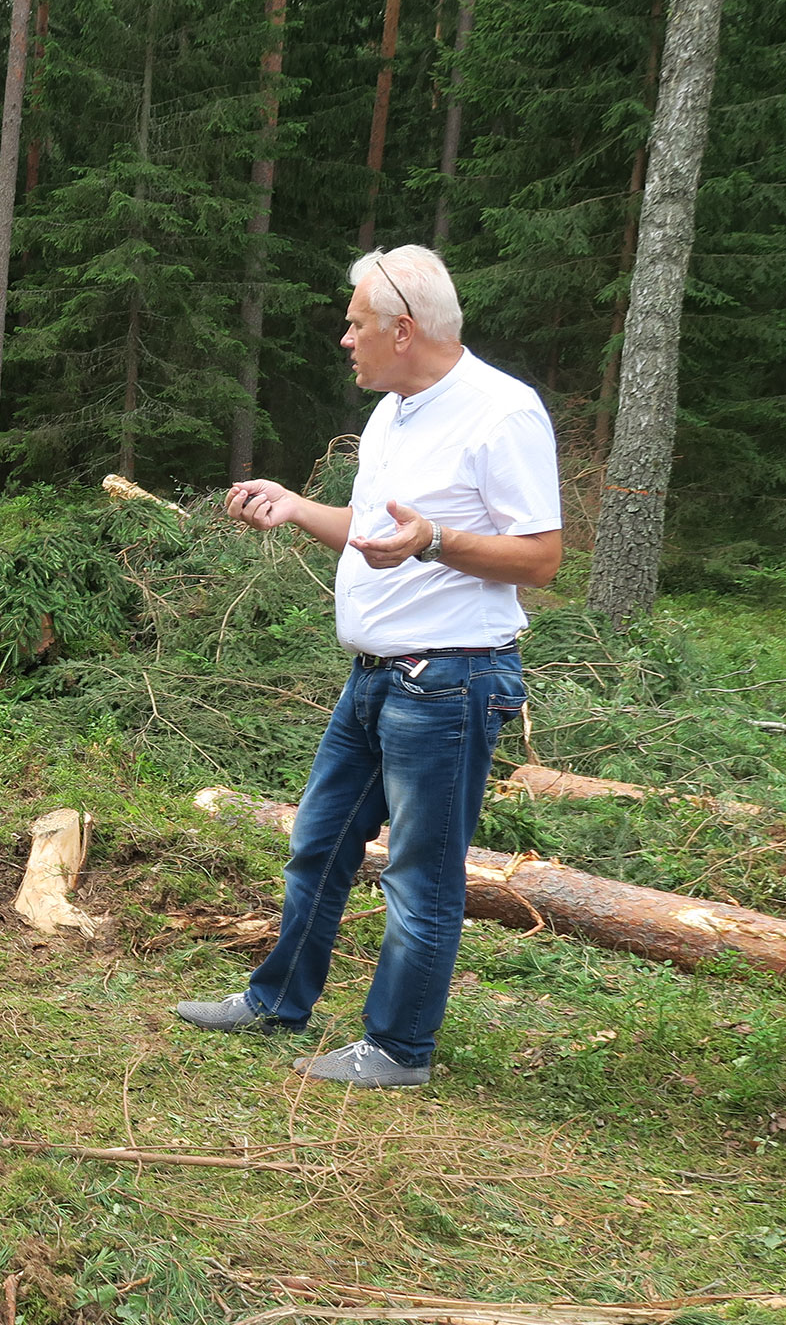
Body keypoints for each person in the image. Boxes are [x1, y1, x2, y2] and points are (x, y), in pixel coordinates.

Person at [175, 245, 561, 1088]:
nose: (344, 338)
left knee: (421, 873)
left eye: (355, 324)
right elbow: (370, 524)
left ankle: (398, 1050)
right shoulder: (394, 411)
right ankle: (278, 1001)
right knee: (318, 843)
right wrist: (293, 506)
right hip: (375, 676)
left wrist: (437, 541)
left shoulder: (502, 412)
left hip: (453, 683)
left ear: (404, 329)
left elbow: (540, 557)